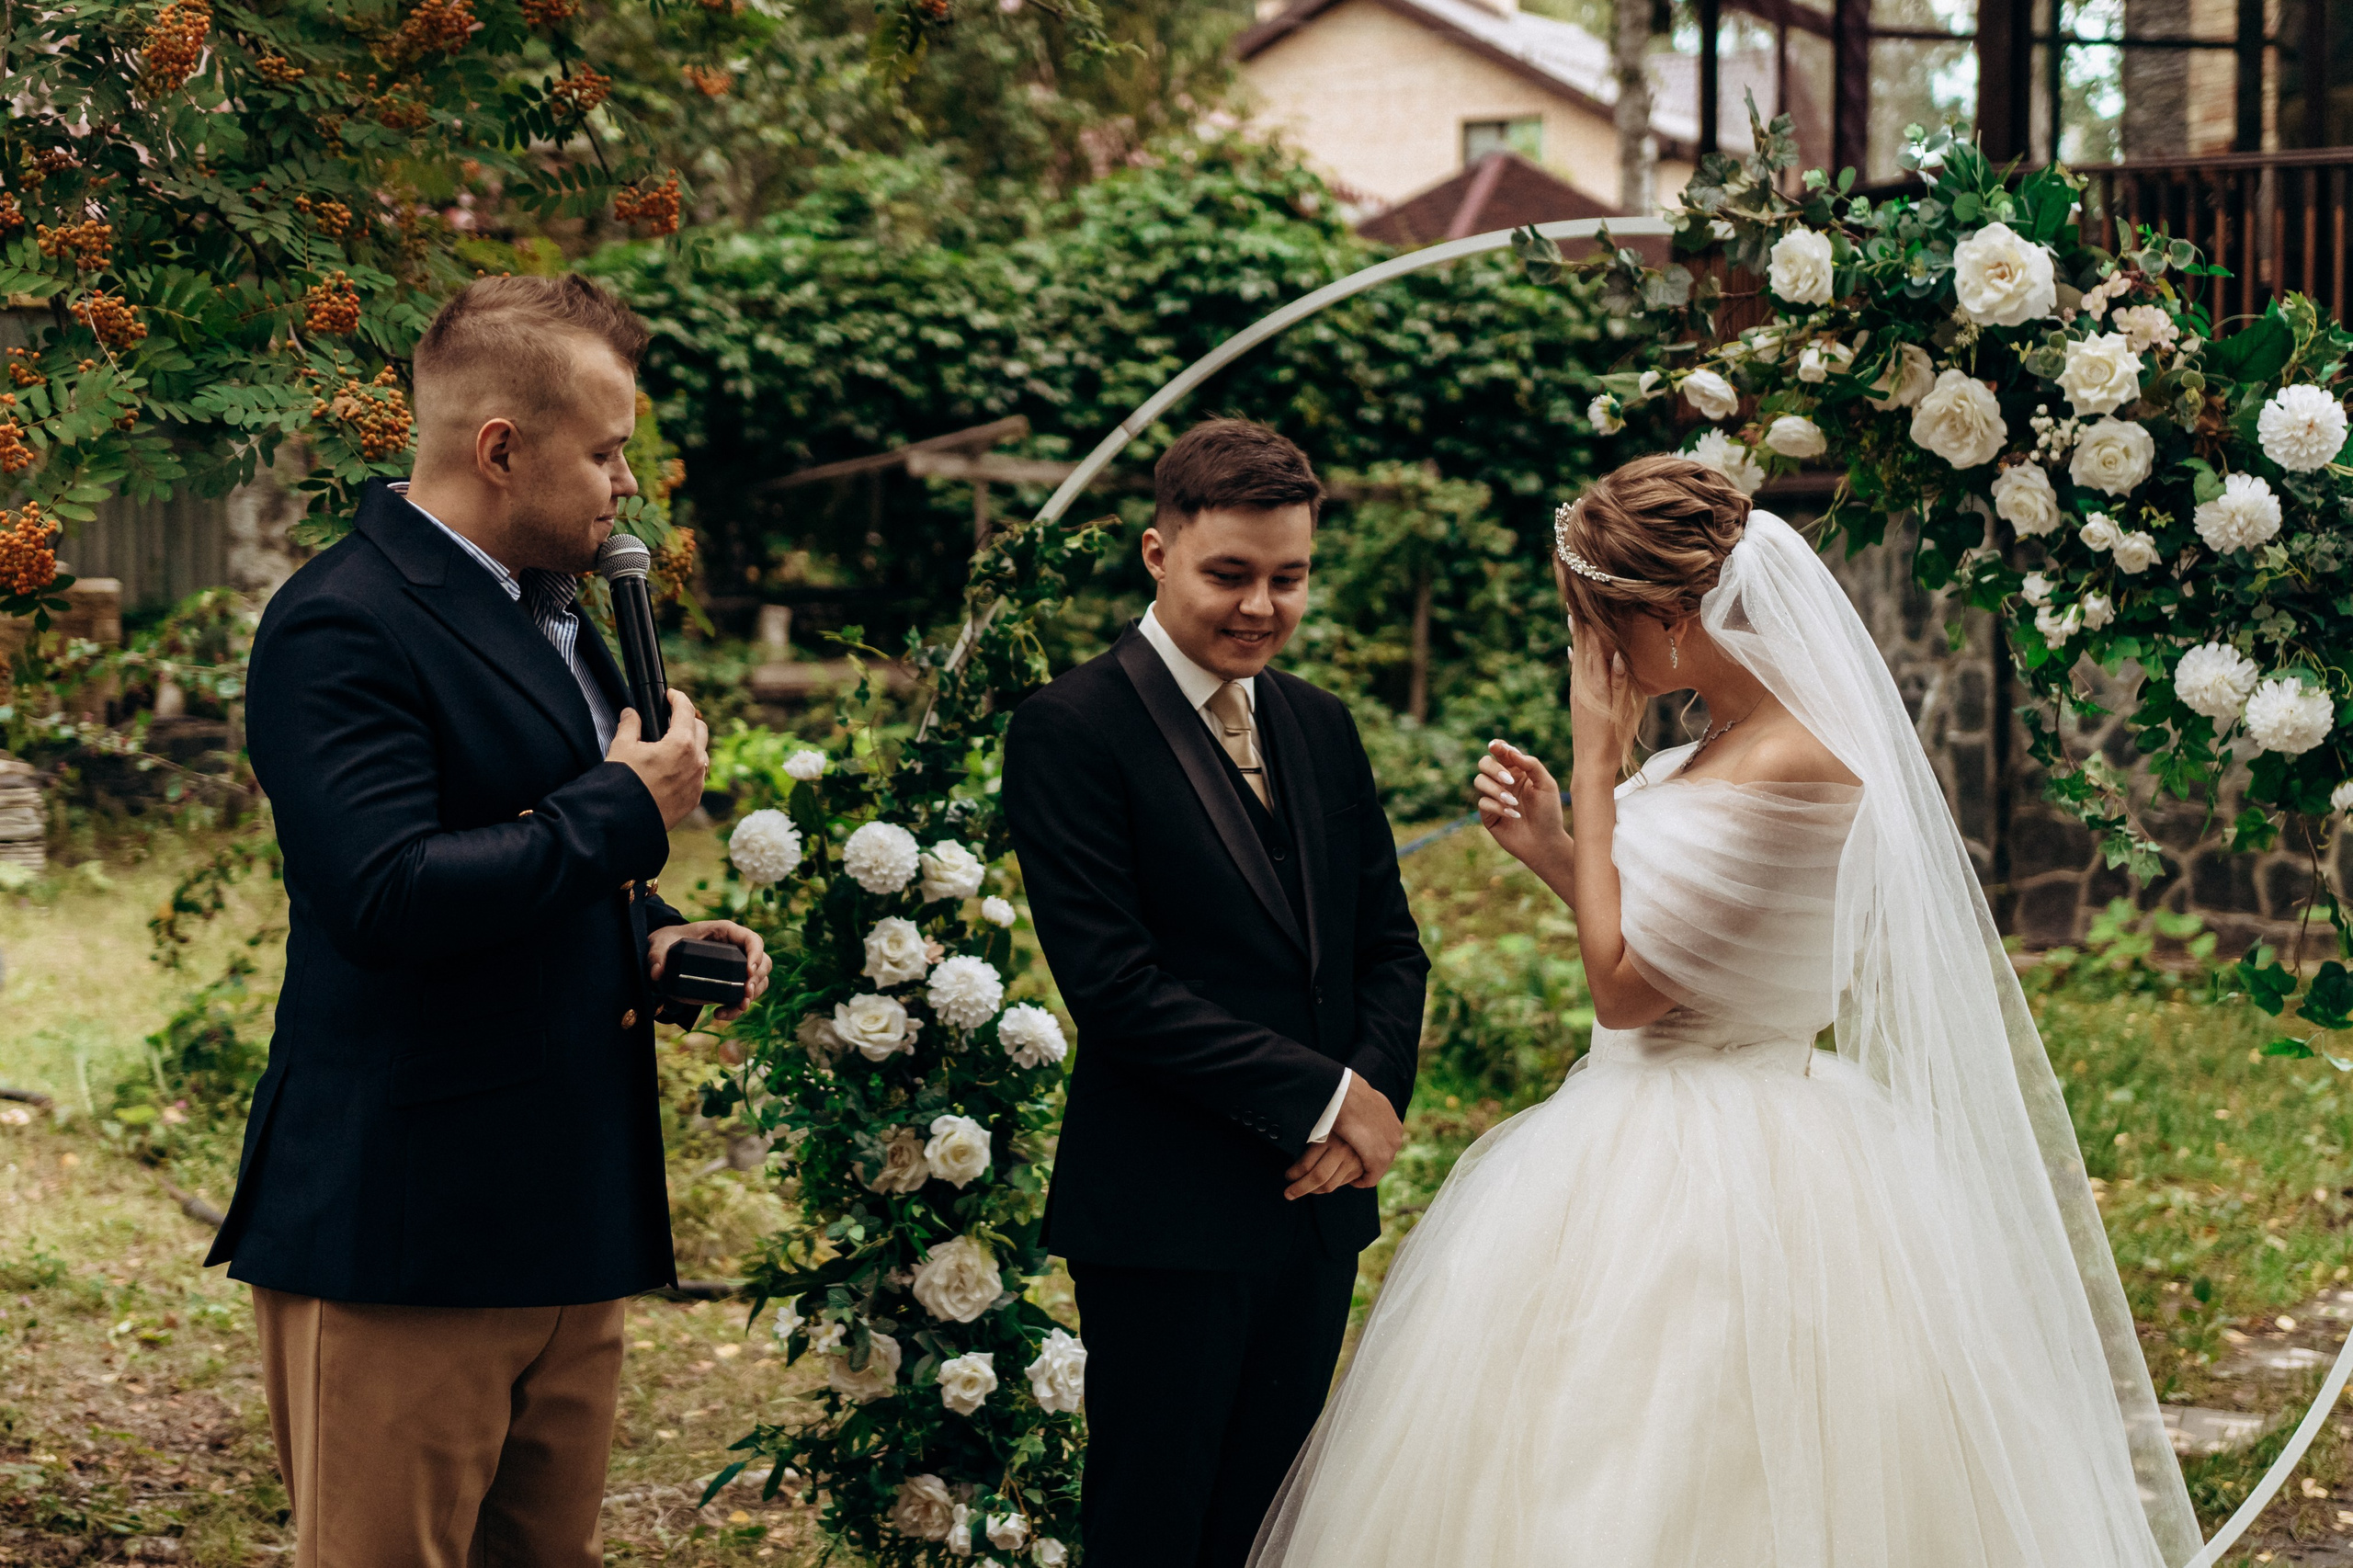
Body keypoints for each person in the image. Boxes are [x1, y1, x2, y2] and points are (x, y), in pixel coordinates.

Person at [1248, 455, 2203, 1568]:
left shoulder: (1792, 762)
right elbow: (1677, 951)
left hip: (1723, 1153)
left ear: (1670, 615)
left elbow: (1623, 985)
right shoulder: (1718, 739)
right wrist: (1563, 851)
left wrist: (1598, 766)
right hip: (1642, 1110)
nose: (1592, 654)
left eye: (1599, 626)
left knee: (1689, 1449)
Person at [207, 273, 773, 1567]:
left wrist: (657, 933)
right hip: (412, 1225)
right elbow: (385, 892)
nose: (625, 484)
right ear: (501, 448)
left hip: (568, 1213)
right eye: (606, 450)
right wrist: (625, 815)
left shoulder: (557, 615)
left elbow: (538, 846)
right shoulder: (340, 620)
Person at [1002, 419, 1429, 1568]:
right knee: (1154, 1518)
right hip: (1165, 1209)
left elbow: (1389, 947)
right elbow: (1116, 985)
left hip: (1315, 1207)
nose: (1261, 606)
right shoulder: (1069, 729)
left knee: (1276, 1518)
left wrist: (1363, 1105)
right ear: (1156, 552)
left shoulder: (1319, 724)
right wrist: (1329, 1095)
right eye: (1229, 575)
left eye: (1288, 578)